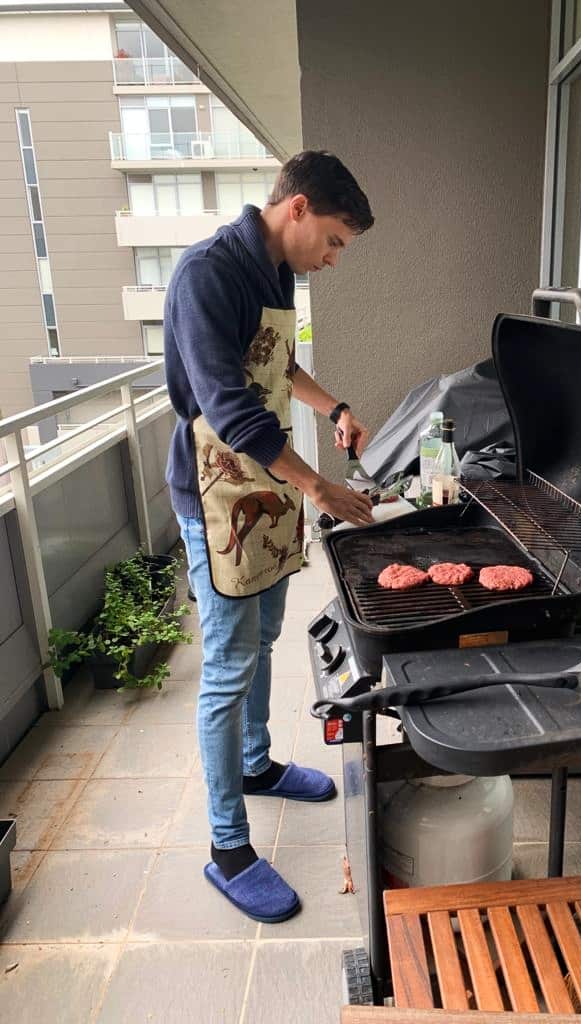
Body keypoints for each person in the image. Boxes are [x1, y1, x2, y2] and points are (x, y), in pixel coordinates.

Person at [164, 151, 375, 922]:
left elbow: (280, 368)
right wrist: (317, 484)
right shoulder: (207, 276)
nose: (332, 256)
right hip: (219, 494)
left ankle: (255, 766)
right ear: (297, 209)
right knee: (226, 666)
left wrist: (336, 407)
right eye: (334, 239)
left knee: (265, 636)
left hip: (269, 483)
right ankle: (227, 848)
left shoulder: (277, 274)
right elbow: (232, 409)